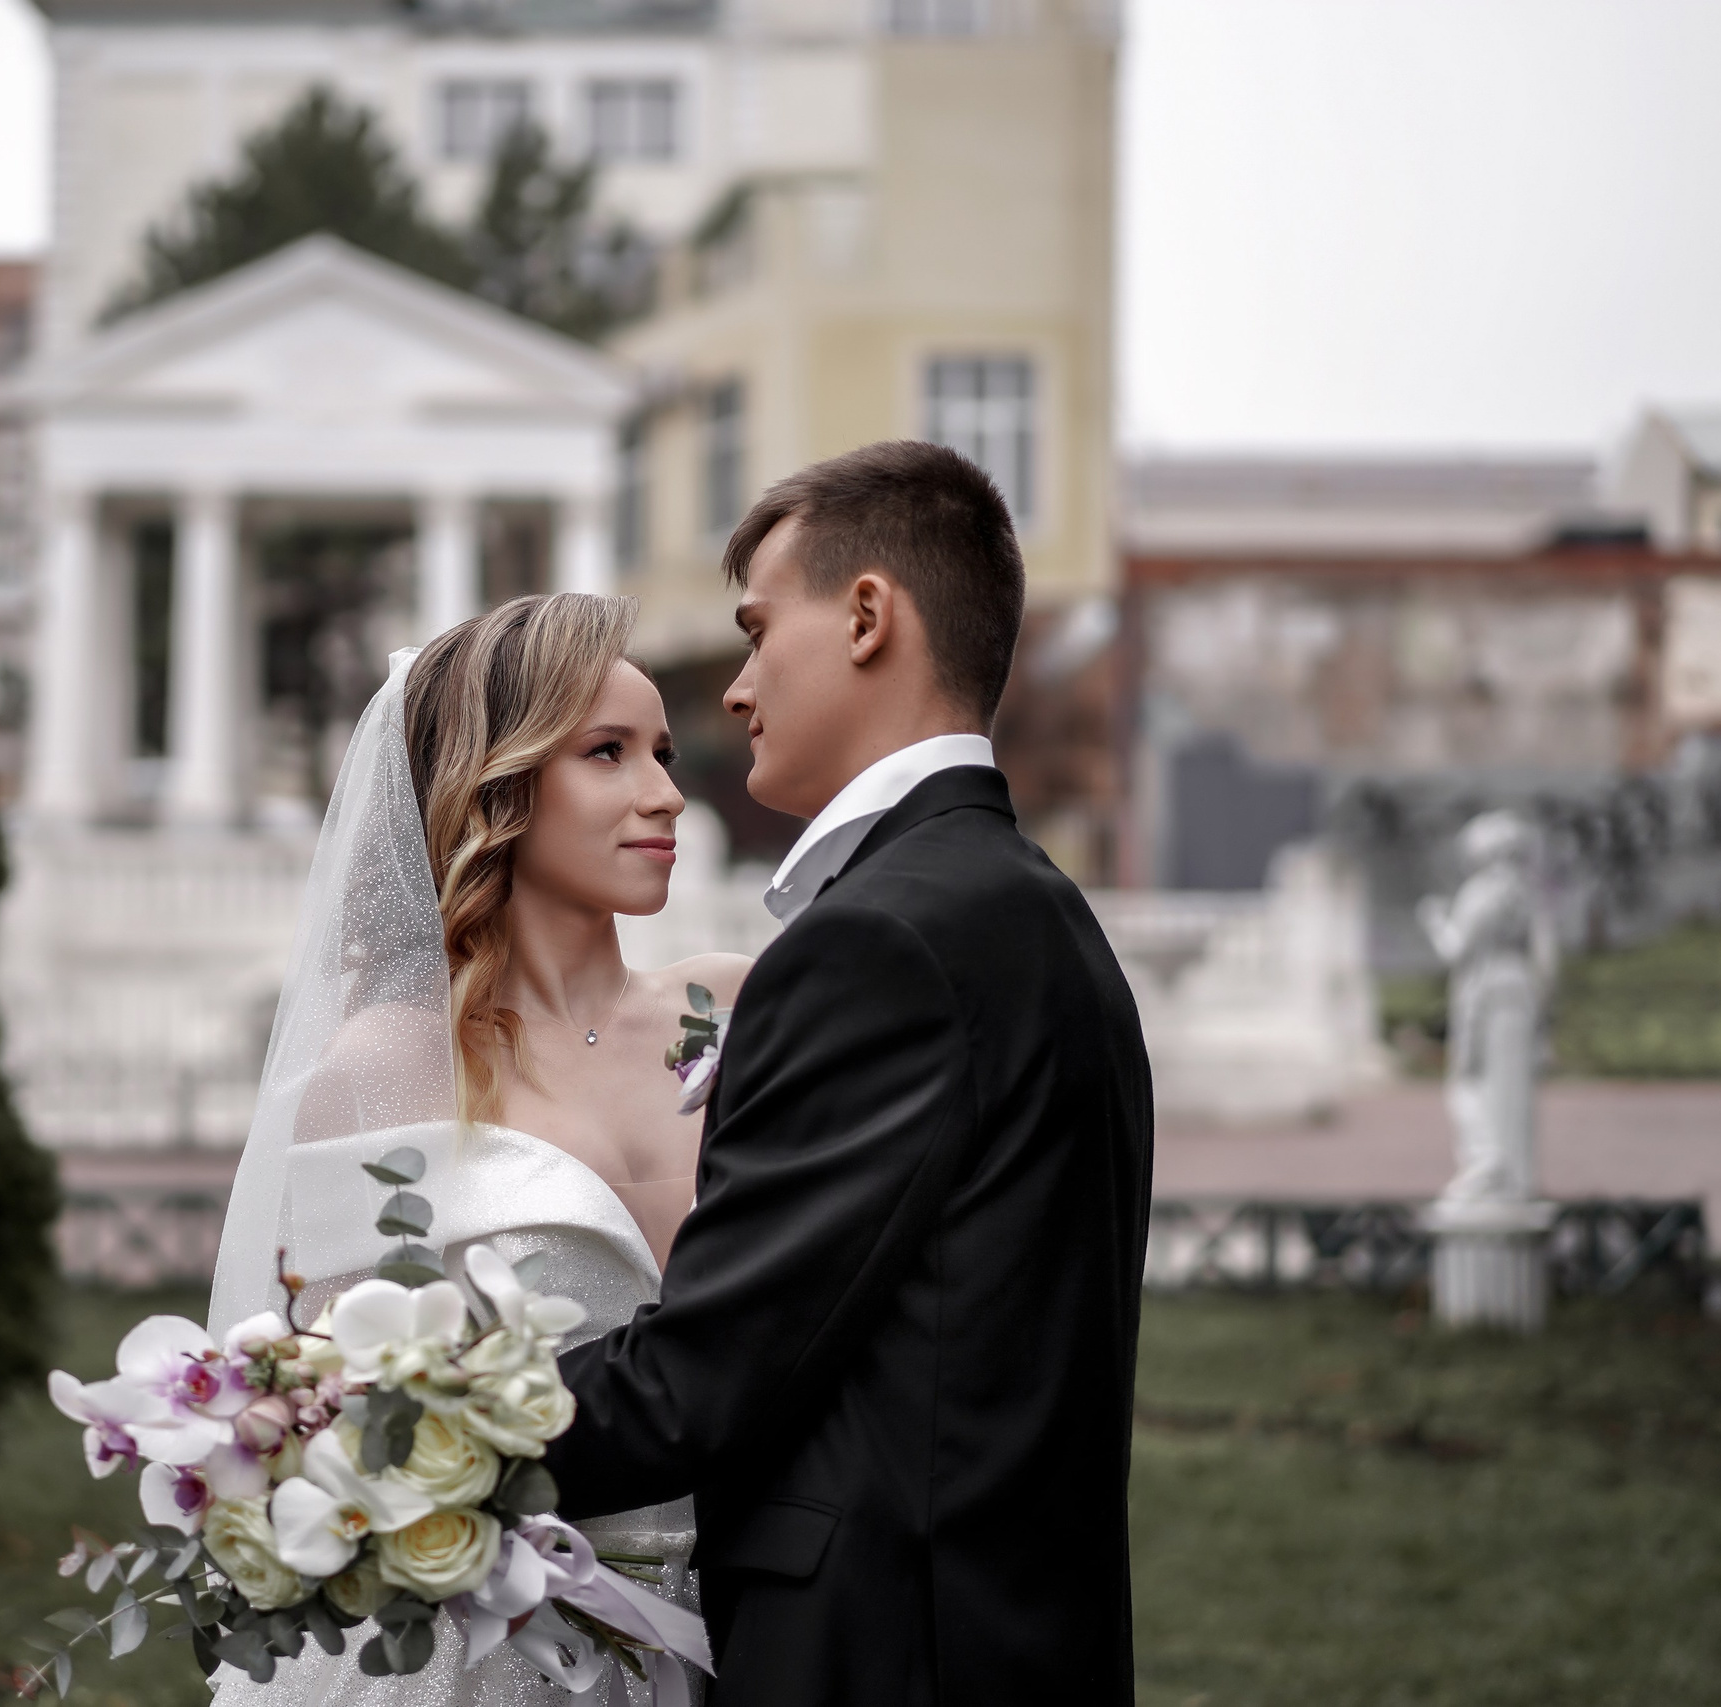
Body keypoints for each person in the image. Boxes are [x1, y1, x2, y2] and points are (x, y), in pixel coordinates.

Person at [543, 440, 1155, 1705]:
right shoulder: (1031, 911)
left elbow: (701, 1380)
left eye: (761, 631)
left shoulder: (882, 940)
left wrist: (387, 1432)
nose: (740, 687)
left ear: (869, 615)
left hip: (886, 1655)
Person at [206, 591, 745, 1704]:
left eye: (663, 752)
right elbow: (342, 1426)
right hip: (491, 1660)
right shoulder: (386, 1067)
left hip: (761, 1621)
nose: (666, 794)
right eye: (607, 753)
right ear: (495, 782)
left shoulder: (734, 1009)